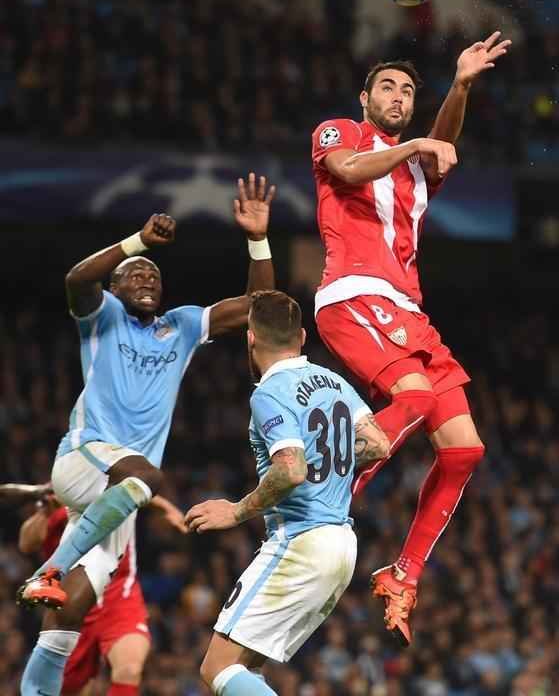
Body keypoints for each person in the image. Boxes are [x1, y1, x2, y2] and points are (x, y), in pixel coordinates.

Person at [17, 172, 275, 696]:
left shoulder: (178, 326)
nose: (147, 279)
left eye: (154, 276)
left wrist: (257, 238)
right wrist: (135, 243)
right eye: (135, 275)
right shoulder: (102, 315)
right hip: (85, 459)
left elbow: (259, 307)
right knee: (147, 476)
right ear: (114, 288)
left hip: (114, 502)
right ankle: (47, 568)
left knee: (65, 623)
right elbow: (75, 279)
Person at [310, 32, 511, 646]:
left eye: (407, 92)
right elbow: (346, 171)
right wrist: (417, 143)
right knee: (416, 400)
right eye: (388, 87)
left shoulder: (418, 170)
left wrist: (462, 83)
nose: (399, 97)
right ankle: (331, 493)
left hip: (408, 312)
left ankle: (403, 572)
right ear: (365, 97)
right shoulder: (339, 132)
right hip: (353, 295)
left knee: (464, 449)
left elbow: (439, 144)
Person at [184, 290, 390, 696]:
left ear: (250, 338)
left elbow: (291, 468)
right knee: (247, 668)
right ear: (302, 336)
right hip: (342, 546)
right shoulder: (334, 382)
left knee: (216, 669)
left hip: (301, 542)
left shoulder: (268, 393)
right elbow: (379, 444)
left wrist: (236, 511)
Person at [18, 486, 185, 696]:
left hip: (120, 594)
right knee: (70, 688)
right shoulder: (65, 490)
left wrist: (166, 507)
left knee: (129, 669)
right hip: (75, 603)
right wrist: (46, 513)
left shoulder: (116, 481)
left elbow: (141, 487)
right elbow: (26, 543)